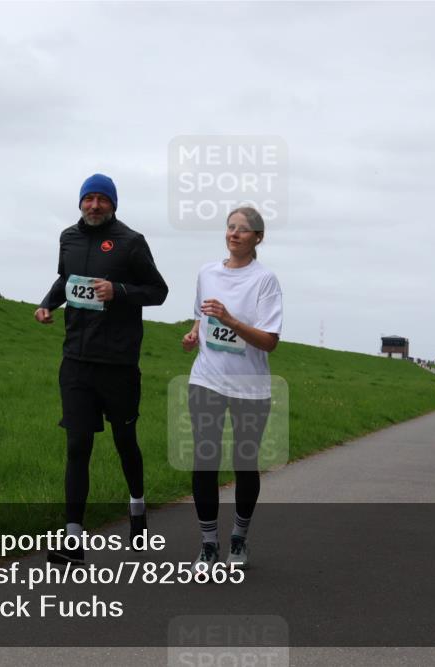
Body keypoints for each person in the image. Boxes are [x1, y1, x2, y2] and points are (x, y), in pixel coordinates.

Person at [35, 174, 168, 565]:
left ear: (113, 204)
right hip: (76, 360)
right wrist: (48, 304)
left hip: (119, 364)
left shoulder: (131, 242)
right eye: (88, 199)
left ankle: (138, 507)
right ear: (80, 203)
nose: (94, 205)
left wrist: (120, 291)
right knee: (77, 445)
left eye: (101, 200)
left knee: (125, 442)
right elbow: (66, 279)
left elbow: (158, 292)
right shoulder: (68, 238)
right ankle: (73, 537)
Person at [181, 207, 282, 569]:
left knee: (244, 462)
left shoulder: (265, 281)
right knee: (204, 460)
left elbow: (269, 341)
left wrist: (230, 320)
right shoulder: (207, 272)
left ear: (258, 237)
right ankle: (209, 544)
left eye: (243, 229)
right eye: (230, 227)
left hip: (249, 387)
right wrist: (196, 332)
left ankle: (239, 538)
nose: (234, 234)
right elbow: (202, 312)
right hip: (206, 378)